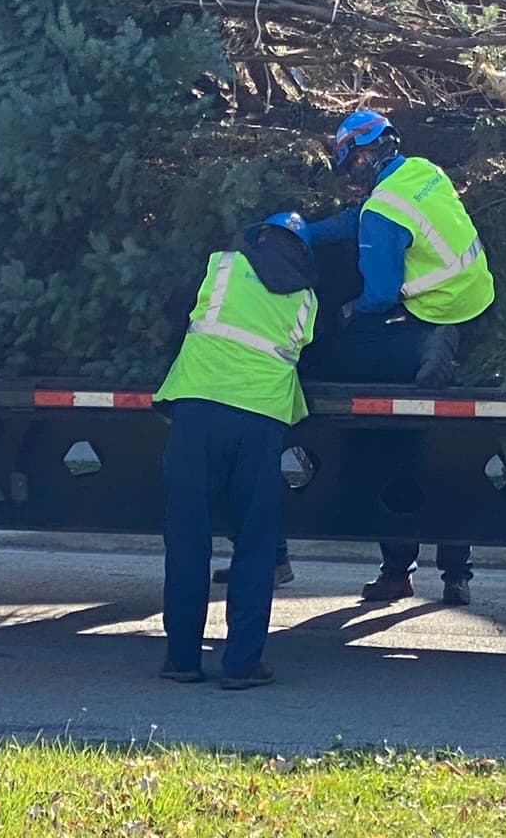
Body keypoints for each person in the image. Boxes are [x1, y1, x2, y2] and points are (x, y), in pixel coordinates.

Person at [308, 109, 495, 607]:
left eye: (349, 167)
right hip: (476, 297)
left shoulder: (381, 213)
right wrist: (315, 231)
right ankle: (457, 575)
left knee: (388, 439)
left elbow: (381, 293)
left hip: (432, 312)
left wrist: (347, 310)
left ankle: (396, 571)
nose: (350, 177)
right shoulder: (423, 172)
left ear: (363, 157)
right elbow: (362, 217)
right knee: (449, 457)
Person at [153, 212, 317, 689]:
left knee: (187, 537)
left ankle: (182, 660)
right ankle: (242, 664)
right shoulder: (306, 298)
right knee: (256, 543)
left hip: (198, 410)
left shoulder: (222, 266)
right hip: (260, 420)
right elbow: (305, 346)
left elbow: (181, 312)